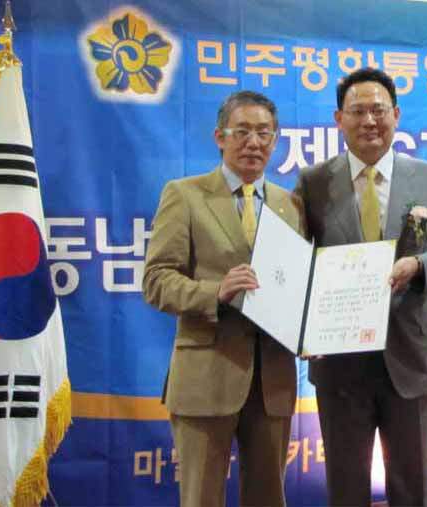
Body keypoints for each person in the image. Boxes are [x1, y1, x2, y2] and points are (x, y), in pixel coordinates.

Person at [294, 67, 427, 506]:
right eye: (357, 111)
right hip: (340, 363)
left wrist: (419, 265)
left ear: (396, 114)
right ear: (338, 119)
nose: (369, 121)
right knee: (346, 485)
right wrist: (298, 327)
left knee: (412, 484)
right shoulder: (313, 182)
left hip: (411, 358)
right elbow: (295, 265)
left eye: (378, 110)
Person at [143, 91, 304, 507]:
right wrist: (216, 292)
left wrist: (314, 331)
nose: (254, 142)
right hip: (204, 376)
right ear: (220, 136)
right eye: (243, 131)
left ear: (276, 140)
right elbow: (157, 281)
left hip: (273, 383)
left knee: (269, 498)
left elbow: (302, 287)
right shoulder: (185, 195)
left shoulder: (293, 206)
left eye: (264, 133)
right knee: (201, 499)